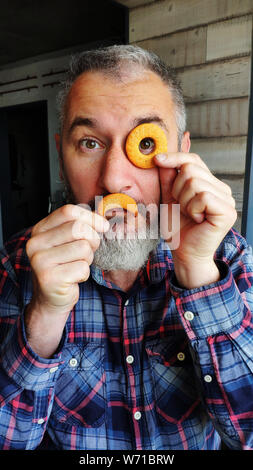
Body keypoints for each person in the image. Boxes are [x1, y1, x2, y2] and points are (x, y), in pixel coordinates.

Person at [0, 44, 253, 451]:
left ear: (183, 152)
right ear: (61, 157)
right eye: (90, 143)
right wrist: (45, 316)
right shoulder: (18, 266)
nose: (115, 180)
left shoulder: (229, 259)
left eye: (146, 145)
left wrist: (199, 273)